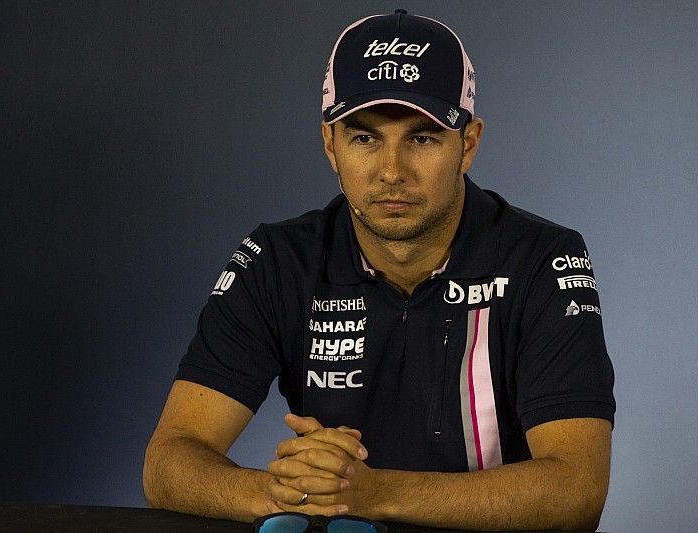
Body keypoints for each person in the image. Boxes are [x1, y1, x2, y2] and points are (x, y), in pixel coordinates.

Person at [143, 10, 615, 531]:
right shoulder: (278, 261)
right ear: (330, 145)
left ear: (469, 143)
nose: (392, 171)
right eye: (365, 138)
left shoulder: (542, 259)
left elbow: (578, 491)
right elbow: (169, 463)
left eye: (423, 138)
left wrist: (370, 492)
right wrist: (281, 490)